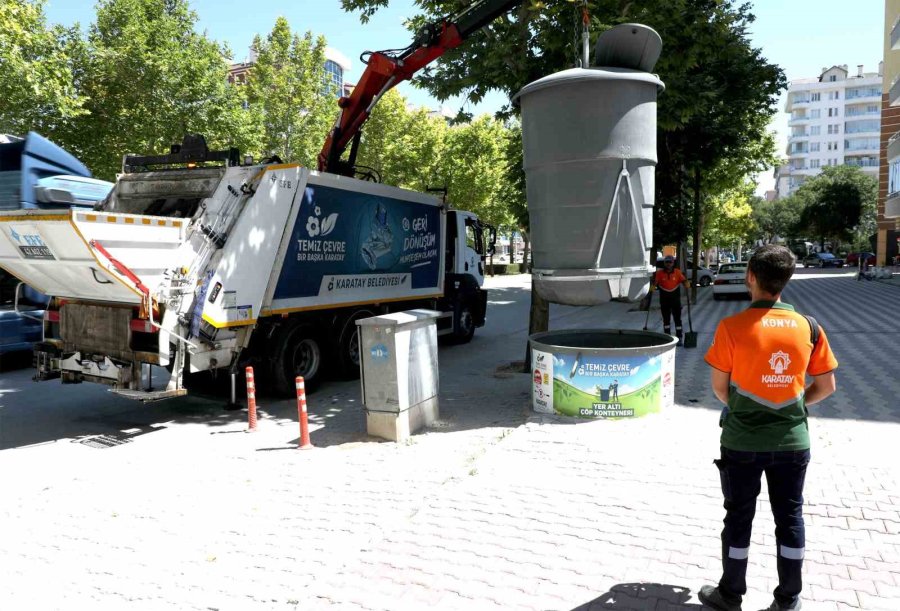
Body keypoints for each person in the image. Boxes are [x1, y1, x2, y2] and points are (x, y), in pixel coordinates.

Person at [699, 244, 838, 611]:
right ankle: (788, 599)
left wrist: (748, 407)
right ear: (786, 280)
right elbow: (825, 387)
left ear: (751, 277)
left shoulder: (731, 327)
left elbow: (719, 388)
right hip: (793, 441)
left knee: (739, 516)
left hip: (742, 441)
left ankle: (730, 595)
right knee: (790, 517)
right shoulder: (809, 327)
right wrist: (791, 405)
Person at [651, 255, 690, 344]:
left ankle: (679, 337)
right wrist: (653, 286)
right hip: (664, 300)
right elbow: (655, 282)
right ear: (664, 263)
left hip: (675, 300)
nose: (668, 264)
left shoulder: (677, 272)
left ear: (673, 263)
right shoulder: (659, 273)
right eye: (667, 262)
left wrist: (686, 283)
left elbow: (683, 280)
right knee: (666, 320)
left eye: (670, 262)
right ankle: (667, 338)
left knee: (677, 319)